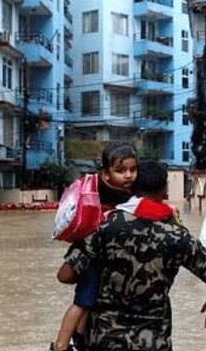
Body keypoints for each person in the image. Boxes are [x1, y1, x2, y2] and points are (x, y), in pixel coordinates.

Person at [57, 161, 206, 351]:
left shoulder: (104, 226)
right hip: (154, 343)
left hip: (104, 341)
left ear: (132, 189)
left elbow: (65, 275)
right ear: (165, 190)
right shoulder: (179, 237)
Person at [52, 143, 138, 351]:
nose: (128, 175)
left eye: (132, 170)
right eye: (121, 171)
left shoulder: (105, 188)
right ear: (106, 174)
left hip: (93, 254)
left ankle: (79, 338)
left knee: (88, 300)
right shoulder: (117, 193)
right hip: (93, 257)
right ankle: (60, 345)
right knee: (83, 302)